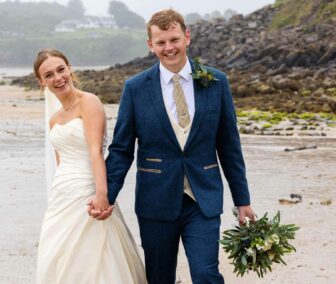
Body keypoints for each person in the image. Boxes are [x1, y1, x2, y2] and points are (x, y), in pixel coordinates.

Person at [89, 9, 255, 284]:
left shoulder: (216, 82)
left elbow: (229, 146)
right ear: (150, 46)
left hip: (203, 199)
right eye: (161, 42)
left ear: (187, 37)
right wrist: (106, 195)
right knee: (159, 278)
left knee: (206, 274)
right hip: (155, 200)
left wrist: (243, 200)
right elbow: (121, 149)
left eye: (174, 39)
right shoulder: (136, 88)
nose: (169, 48)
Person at [34, 48, 146, 284]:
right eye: (49, 75)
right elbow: (60, 160)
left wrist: (102, 195)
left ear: (70, 68)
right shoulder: (54, 119)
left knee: (96, 256)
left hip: (89, 190)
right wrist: (56, 195)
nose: (58, 78)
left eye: (61, 70)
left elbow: (96, 152)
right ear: (41, 82)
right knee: (60, 255)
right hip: (62, 197)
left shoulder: (89, 102)